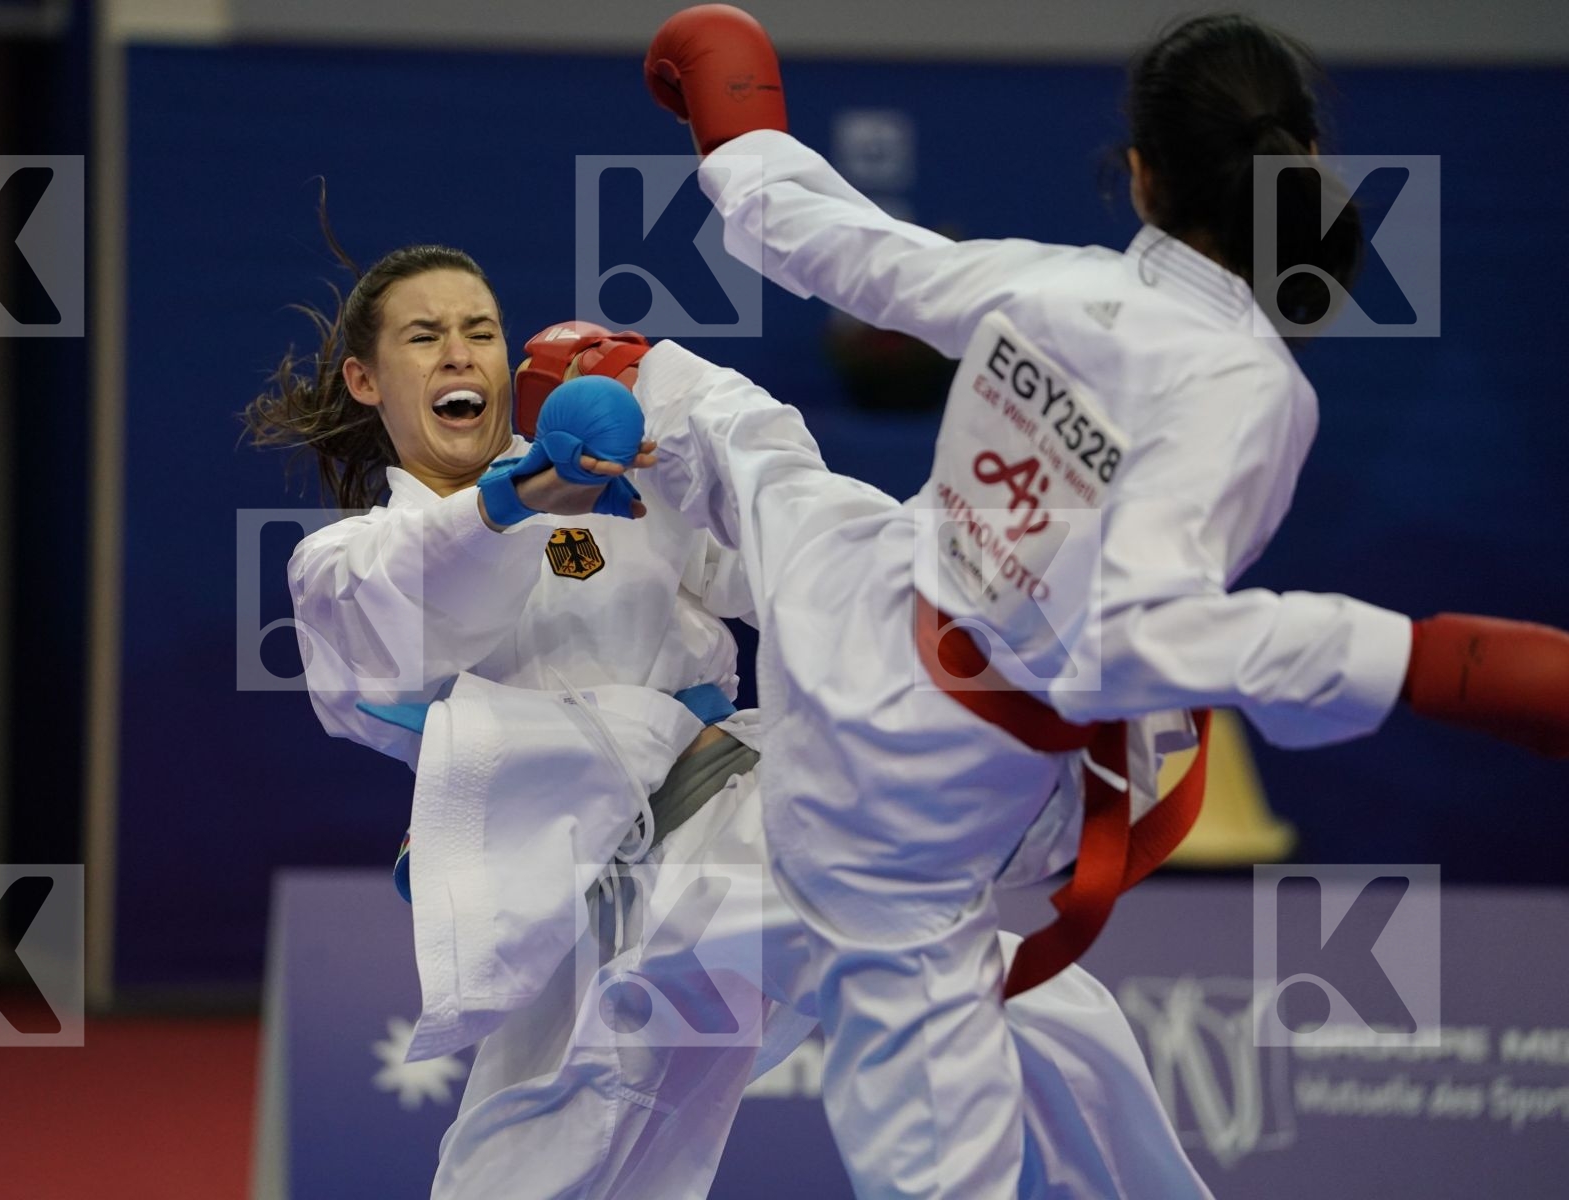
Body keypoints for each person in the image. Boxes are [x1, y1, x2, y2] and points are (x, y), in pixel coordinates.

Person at [606, 7, 1569, 1197]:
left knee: (742, 442)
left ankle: (613, 386)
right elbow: (1132, 635)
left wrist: (733, 100)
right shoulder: (1247, 388)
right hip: (910, 803)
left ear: (1142, 176)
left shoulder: (1053, 284)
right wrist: (1422, 663)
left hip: (849, 606)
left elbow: (820, 236)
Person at [247, 232, 1220, 1198]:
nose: (460, 354)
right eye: (425, 337)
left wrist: (683, 428)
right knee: (525, 1170)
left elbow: (802, 559)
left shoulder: (613, 480)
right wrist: (526, 497)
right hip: (574, 911)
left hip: (727, 827)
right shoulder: (348, 562)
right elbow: (408, 621)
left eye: (481, 330)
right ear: (367, 380)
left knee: (1032, 1007)